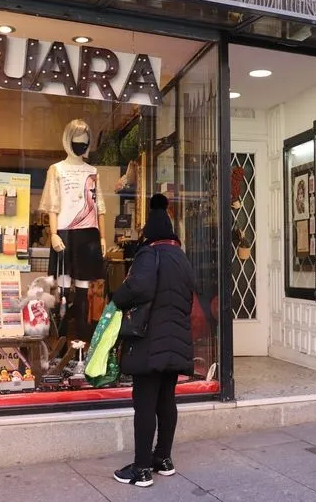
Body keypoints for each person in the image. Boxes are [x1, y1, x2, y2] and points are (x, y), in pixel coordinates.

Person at [111, 194, 194, 488]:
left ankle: (142, 469)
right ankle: (163, 459)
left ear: (150, 234)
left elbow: (138, 287)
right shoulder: (181, 258)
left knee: (144, 404)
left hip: (150, 341)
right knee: (166, 401)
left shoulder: (151, 254)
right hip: (176, 340)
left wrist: (116, 300)